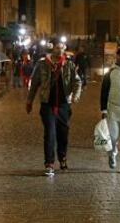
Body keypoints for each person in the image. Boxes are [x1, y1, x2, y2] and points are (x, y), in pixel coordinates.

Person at [26, 39, 82, 176]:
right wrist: (29, 101)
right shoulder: (42, 64)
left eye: (62, 47)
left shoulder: (69, 65)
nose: (60, 50)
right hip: (47, 104)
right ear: (53, 49)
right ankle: (49, 163)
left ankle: (62, 158)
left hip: (64, 105)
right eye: (58, 47)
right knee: (50, 133)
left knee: (63, 134)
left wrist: (75, 96)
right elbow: (34, 84)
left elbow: (77, 82)